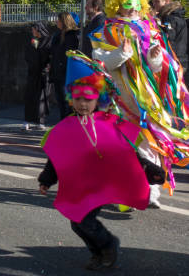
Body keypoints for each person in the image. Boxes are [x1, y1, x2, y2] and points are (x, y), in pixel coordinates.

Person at [38, 52, 160, 271]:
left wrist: (148, 168)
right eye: (78, 99)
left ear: (99, 99)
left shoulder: (108, 123)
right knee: (77, 223)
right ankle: (98, 252)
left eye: (88, 99)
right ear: (70, 99)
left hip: (102, 183)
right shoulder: (66, 128)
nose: (83, 104)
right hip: (80, 185)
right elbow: (57, 156)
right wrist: (47, 179)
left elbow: (127, 151)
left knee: (83, 221)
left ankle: (108, 246)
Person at [91, 0, 189, 208]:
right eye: (128, 5)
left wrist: (155, 57)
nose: (133, 9)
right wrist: (121, 54)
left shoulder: (150, 29)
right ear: (118, 6)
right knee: (125, 144)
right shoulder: (106, 30)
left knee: (151, 141)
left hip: (150, 98)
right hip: (120, 96)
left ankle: (151, 190)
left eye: (137, 5)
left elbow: (157, 68)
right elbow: (101, 60)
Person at [50, 12, 79, 120]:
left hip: (65, 74)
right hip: (57, 72)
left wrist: (61, 65)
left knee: (67, 102)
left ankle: (68, 124)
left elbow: (69, 54)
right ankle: (63, 123)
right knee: (61, 101)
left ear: (64, 21)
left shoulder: (72, 35)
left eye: (58, 20)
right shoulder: (58, 35)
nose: (56, 22)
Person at [152, 0, 188, 76]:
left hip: (175, 62)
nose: (154, 5)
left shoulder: (169, 18)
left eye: (157, 1)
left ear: (167, 1)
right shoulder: (175, 15)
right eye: (153, 2)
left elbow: (168, 39)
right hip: (181, 59)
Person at [23, 21, 51, 131]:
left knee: (42, 98)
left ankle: (41, 121)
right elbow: (28, 54)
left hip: (43, 73)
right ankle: (27, 120)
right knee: (29, 96)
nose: (32, 31)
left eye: (34, 29)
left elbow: (48, 55)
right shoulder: (32, 40)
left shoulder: (47, 40)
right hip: (33, 72)